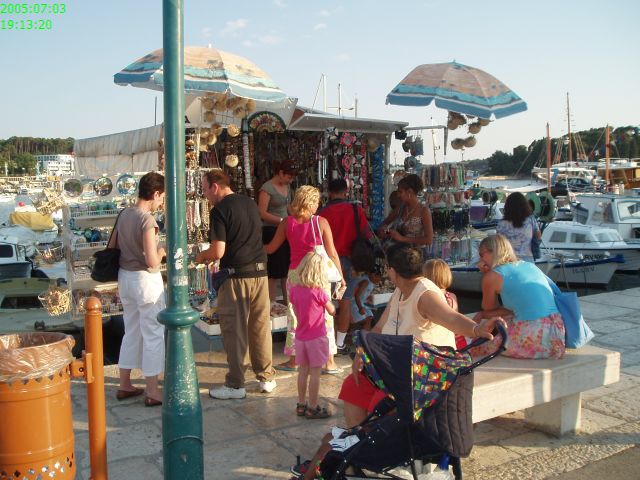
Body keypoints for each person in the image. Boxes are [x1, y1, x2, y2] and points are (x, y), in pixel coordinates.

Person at [339, 243, 505, 428]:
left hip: (423, 374)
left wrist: (477, 329)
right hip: (398, 369)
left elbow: (451, 318)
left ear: (392, 271)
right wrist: (363, 351)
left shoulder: (424, 294)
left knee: (380, 403)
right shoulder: (400, 290)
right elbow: (378, 328)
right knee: (352, 386)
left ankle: (376, 438)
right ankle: (359, 437)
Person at [195, 169, 276, 399]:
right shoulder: (250, 203)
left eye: (205, 190)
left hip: (236, 277)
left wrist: (201, 256)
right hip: (260, 273)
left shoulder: (220, 210)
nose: (205, 195)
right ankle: (266, 378)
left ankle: (235, 384)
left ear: (215, 187)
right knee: (260, 328)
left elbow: (218, 251)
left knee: (234, 330)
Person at [265, 185, 345, 374]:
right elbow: (332, 253)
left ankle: (294, 360)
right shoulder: (321, 222)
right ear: (310, 202)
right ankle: (329, 361)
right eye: (316, 201)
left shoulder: (287, 223)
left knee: (295, 315)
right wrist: (341, 277)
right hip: (317, 275)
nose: (318, 205)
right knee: (324, 317)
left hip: (295, 274)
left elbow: (271, 248)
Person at [116, 171, 167, 407]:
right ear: (155, 193)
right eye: (161, 198)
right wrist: (162, 250)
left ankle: (125, 383)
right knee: (153, 333)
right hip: (145, 281)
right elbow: (152, 261)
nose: (161, 203)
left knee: (132, 331)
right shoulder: (147, 220)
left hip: (125, 277)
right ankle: (153, 390)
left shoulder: (124, 214)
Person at [472, 234, 565, 359]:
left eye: (482, 255)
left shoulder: (492, 276)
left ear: (492, 252)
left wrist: (486, 274)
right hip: (557, 333)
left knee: (477, 348)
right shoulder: (529, 265)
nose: (480, 259)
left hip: (535, 335)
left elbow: (489, 309)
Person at [318, 178, 371, 354]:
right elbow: (366, 233)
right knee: (345, 300)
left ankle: (325, 341)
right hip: (351, 262)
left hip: (327, 261)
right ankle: (339, 343)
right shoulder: (356, 210)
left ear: (329, 192)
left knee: (324, 299)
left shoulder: (322, 213)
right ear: (345, 192)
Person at [291, 252, 336, 420]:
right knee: (315, 373)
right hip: (316, 338)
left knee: (303, 371)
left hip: (300, 337)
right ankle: (313, 406)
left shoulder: (294, 290)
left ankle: (301, 404)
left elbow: (296, 310)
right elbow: (332, 310)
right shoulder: (319, 292)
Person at [258, 159, 296, 305]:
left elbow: (288, 206)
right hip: (271, 230)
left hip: (286, 229)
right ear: (281, 173)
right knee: (273, 270)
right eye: (288, 177)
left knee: (286, 268)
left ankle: (288, 302)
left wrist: (296, 219)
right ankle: (271, 303)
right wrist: (282, 221)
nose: (290, 181)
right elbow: (262, 212)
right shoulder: (267, 188)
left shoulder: (286, 187)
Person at [376, 174, 433, 254]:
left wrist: (403, 239)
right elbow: (384, 224)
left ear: (409, 192)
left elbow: (429, 240)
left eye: (400, 192)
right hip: (396, 254)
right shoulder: (400, 208)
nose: (398, 195)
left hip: (415, 257)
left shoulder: (424, 211)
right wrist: (385, 231)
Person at [423, 258, 467, 349]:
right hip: (455, 341)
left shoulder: (427, 298)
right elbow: (456, 319)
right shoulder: (452, 297)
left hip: (438, 343)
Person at [497, 192, 541, 262]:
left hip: (508, 259)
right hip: (527, 259)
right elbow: (538, 236)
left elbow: (499, 243)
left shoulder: (501, 224)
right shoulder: (531, 220)